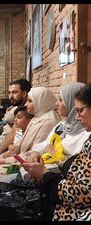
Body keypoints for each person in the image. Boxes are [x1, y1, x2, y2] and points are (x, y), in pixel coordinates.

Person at [0, 86, 61, 221]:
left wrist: (7, 159)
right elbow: (23, 143)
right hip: (21, 159)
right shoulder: (37, 117)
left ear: (40, 101)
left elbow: (32, 153)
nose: (27, 104)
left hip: (28, 166)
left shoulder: (48, 122)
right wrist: (9, 152)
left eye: (30, 101)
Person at [22, 84, 91, 221]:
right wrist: (36, 153)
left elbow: (81, 193)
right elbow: (43, 145)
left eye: (60, 100)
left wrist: (45, 174)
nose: (56, 104)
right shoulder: (63, 124)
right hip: (57, 188)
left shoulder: (84, 134)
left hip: (67, 202)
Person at [0, 79, 31, 157]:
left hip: (14, 140)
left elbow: (13, 131)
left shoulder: (25, 109)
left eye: (15, 92)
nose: (11, 96)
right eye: (9, 93)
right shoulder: (17, 105)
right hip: (6, 133)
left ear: (24, 93)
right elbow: (8, 121)